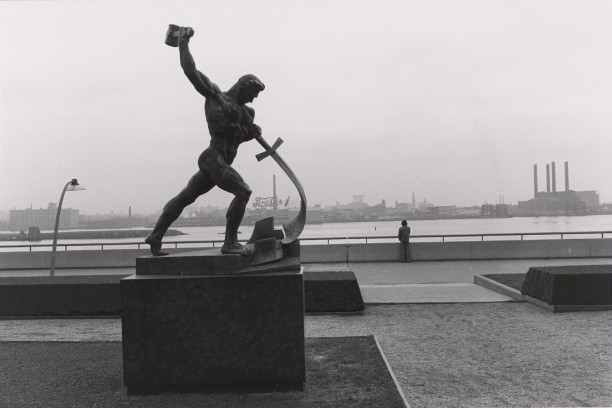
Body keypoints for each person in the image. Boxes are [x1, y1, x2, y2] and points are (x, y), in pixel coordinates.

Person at [146, 26, 265, 256]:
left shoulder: (247, 114)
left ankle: (155, 235)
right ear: (242, 87)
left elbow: (238, 138)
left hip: (222, 162)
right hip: (213, 157)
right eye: (252, 93)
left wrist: (252, 133)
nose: (253, 99)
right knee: (243, 192)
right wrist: (183, 43)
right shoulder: (216, 97)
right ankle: (230, 242)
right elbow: (191, 71)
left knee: (186, 197)